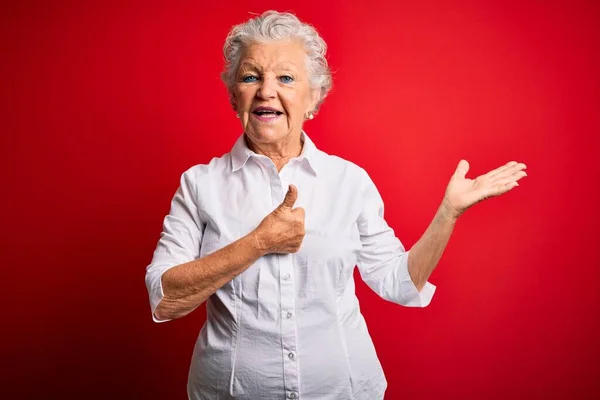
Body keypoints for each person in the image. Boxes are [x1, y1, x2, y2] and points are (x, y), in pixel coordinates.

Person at [144, 10, 527, 400]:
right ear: (234, 95)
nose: (265, 91)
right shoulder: (200, 185)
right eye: (250, 76)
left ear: (313, 98)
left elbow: (398, 282)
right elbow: (164, 298)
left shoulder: (349, 181)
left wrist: (448, 214)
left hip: (343, 390)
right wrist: (257, 243)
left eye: (286, 78)